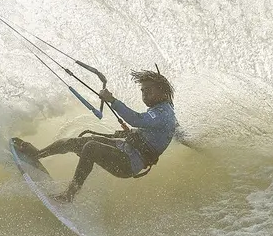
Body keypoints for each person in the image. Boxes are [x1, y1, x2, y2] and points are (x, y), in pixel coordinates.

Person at [12, 68, 177, 202]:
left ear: (162, 92)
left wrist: (112, 100)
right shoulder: (160, 110)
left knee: (91, 148)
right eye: (143, 91)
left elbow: (136, 119)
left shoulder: (164, 114)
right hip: (124, 149)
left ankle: (69, 194)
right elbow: (149, 130)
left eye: (149, 90)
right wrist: (129, 134)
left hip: (129, 164)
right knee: (78, 142)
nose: (144, 95)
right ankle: (39, 154)